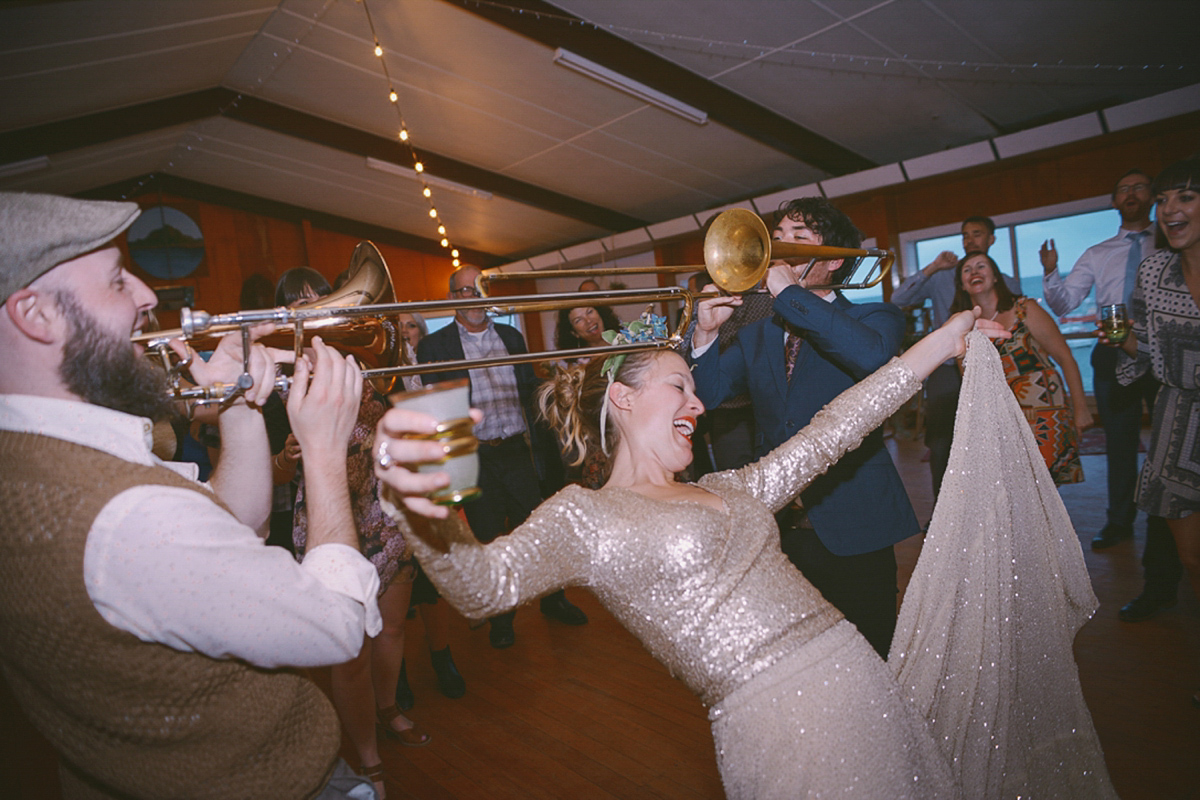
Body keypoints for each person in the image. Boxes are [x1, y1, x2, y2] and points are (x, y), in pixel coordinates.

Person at [376, 305, 1116, 797]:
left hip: (863, 683)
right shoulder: (585, 517)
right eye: (679, 387)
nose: (698, 405)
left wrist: (947, 338)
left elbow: (837, 427)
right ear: (623, 399)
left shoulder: (734, 485)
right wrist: (423, 486)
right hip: (780, 722)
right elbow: (480, 584)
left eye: (697, 390)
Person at [0, 191, 431, 799]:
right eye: (118, 281)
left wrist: (235, 407)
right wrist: (327, 453)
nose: (149, 297)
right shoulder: (124, 516)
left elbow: (230, 526)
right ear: (35, 314)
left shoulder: (40, 459)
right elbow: (335, 628)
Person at [689, 197, 916, 658]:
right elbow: (707, 396)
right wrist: (705, 334)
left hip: (853, 518)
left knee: (870, 649)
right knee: (803, 653)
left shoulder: (875, 316)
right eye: (779, 235)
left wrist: (788, 294)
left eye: (798, 238)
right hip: (783, 525)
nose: (779, 246)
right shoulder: (758, 332)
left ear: (834, 260)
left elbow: (872, 358)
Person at [273, 274, 431, 798]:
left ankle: (388, 710)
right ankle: (366, 754)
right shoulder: (277, 376)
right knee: (349, 648)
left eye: (320, 303)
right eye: (301, 307)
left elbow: (412, 416)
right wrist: (284, 458)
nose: (314, 314)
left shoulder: (366, 358)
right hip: (328, 518)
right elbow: (268, 471)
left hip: (383, 511)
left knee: (392, 630)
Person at [417, 266, 588, 648]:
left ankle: (553, 599)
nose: (474, 298)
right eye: (465, 291)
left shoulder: (511, 336)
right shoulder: (434, 346)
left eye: (480, 289)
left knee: (539, 530)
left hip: (517, 449)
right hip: (475, 457)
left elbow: (531, 393)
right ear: (452, 299)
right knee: (489, 539)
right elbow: (436, 410)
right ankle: (502, 617)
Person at [1041, 169, 1183, 618]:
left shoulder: (1175, 249)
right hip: (1112, 353)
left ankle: (1175, 526)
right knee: (1121, 445)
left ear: (1153, 198)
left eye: (1140, 186)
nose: (1132, 193)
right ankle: (1119, 522)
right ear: (1114, 201)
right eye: (1123, 188)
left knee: (1170, 450)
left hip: (1167, 355)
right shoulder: (1098, 253)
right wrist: (1049, 273)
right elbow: (1064, 304)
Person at [1114, 159, 1200, 662]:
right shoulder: (1153, 270)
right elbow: (1143, 347)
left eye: (1184, 197)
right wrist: (1119, 338)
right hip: (1178, 424)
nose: (1169, 209)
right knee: (1192, 558)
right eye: (1164, 199)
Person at [891, 215, 1023, 500]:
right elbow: (898, 300)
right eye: (965, 235)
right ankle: (943, 513)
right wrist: (933, 266)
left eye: (977, 234)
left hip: (997, 370)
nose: (970, 240)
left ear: (991, 239)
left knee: (998, 441)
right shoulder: (942, 276)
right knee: (941, 445)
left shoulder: (1008, 282)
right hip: (948, 370)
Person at [951, 252, 1092, 484]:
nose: (974, 272)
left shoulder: (1024, 309)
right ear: (962, 285)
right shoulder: (963, 328)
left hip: (1046, 414)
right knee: (1011, 491)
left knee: (1044, 491)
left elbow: (1065, 357)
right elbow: (970, 385)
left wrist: (1081, 408)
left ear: (995, 277)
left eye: (981, 266)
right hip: (1001, 419)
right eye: (967, 270)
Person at [391, 309, 467, 708]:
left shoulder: (432, 362)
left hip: (430, 478)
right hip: (388, 486)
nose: (405, 332)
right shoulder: (375, 368)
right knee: (393, 594)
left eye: (410, 325)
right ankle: (396, 674)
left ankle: (443, 659)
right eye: (398, 325)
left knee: (432, 584)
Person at [554, 303, 621, 351]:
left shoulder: (626, 339)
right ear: (574, 333)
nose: (588, 321)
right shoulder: (578, 367)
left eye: (589, 312)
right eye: (578, 320)